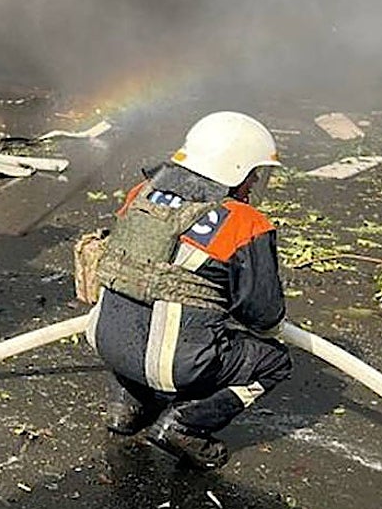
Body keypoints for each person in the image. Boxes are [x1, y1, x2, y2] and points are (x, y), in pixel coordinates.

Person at [87, 111, 291, 469]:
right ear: (235, 168)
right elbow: (264, 316)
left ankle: (126, 407)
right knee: (273, 362)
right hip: (169, 364)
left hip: (106, 340)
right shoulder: (243, 223)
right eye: (252, 172)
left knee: (140, 307)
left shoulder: (141, 194)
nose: (256, 180)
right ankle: (185, 425)